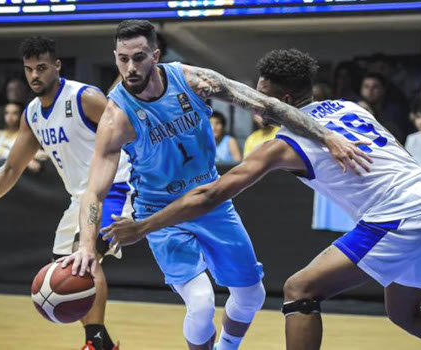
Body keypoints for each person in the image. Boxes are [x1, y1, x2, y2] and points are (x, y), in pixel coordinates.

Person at [101, 48, 421, 350]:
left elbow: (211, 194)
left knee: (300, 290)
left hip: (402, 213)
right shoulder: (351, 107)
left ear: (282, 98)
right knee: (405, 314)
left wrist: (143, 226)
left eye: (259, 95)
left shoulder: (284, 145)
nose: (251, 102)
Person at [62, 23, 370, 350]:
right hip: (160, 213)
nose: (131, 67)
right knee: (201, 302)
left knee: (252, 296)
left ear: (155, 55)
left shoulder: (193, 80)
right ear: (115, 57)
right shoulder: (116, 116)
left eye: (139, 58)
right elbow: (93, 191)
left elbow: (265, 105)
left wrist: (326, 135)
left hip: (212, 203)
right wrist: (86, 246)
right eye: (123, 59)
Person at [0, 36, 131, 350]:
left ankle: (95, 343)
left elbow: (130, 130)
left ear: (57, 65)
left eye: (41, 67)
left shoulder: (84, 97)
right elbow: (12, 168)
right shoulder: (33, 115)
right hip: (79, 198)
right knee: (65, 265)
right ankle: (101, 343)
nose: (35, 75)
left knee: (85, 257)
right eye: (29, 69)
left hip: (115, 187)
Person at [0, 102, 46, 171]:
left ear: (21, 115)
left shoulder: (27, 135)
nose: (10, 117)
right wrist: (26, 161)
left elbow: (38, 154)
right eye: (7, 113)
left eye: (14, 113)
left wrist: (27, 160)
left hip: (19, 175)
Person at [358, 72, 413, 144]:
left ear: (383, 90)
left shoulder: (395, 110)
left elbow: (396, 138)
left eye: (375, 87)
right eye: (366, 86)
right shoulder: (354, 107)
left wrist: (372, 117)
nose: (370, 91)